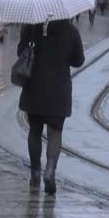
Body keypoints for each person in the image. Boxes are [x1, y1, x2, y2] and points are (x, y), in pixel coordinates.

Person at [18, 19, 85, 195]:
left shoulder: (33, 28)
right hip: (58, 90)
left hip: (34, 89)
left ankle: (35, 173)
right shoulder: (71, 31)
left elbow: (20, 52)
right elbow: (79, 60)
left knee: (34, 131)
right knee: (55, 132)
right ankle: (50, 169)